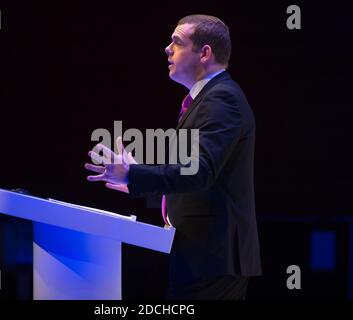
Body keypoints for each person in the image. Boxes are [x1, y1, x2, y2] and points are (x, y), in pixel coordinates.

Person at [85, 14, 261, 300]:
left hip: (214, 257)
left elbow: (200, 171)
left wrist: (135, 174)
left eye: (177, 43)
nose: (167, 49)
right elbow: (200, 181)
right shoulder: (206, 99)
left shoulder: (221, 99)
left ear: (204, 53)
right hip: (204, 255)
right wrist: (135, 182)